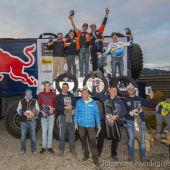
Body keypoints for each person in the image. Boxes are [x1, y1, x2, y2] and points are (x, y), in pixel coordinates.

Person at [124, 83, 155, 162]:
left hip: (141, 122)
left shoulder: (140, 99)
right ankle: (131, 157)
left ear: (134, 90)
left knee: (142, 140)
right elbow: (123, 112)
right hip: (130, 122)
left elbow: (150, 105)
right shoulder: (125, 100)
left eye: (132, 88)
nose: (131, 90)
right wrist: (129, 113)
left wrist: (151, 98)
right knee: (131, 139)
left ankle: (143, 158)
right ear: (127, 91)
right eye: (129, 89)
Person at [74, 87, 101, 168]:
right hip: (81, 125)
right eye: (83, 92)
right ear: (81, 94)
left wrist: (98, 123)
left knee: (93, 143)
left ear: (88, 93)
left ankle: (96, 160)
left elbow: (96, 113)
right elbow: (76, 113)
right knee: (83, 142)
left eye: (86, 92)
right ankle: (86, 155)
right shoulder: (79, 102)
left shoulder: (93, 102)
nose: (84, 94)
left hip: (91, 126)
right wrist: (75, 123)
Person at [17, 88, 39, 155]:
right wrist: (23, 113)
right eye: (27, 93)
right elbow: (18, 109)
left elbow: (38, 109)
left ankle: (33, 150)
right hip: (23, 121)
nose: (28, 94)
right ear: (25, 94)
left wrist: (33, 113)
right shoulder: (21, 101)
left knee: (33, 136)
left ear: (31, 94)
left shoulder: (35, 101)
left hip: (32, 121)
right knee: (23, 136)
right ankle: (22, 149)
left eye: (30, 93)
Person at [56, 83, 76, 156]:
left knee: (72, 134)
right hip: (63, 117)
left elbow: (75, 104)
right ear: (62, 88)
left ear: (68, 88)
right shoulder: (58, 96)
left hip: (71, 116)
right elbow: (57, 107)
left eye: (66, 87)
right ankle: (61, 150)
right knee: (62, 134)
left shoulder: (71, 95)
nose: (65, 88)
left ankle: (72, 149)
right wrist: (65, 107)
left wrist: (73, 108)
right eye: (63, 87)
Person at [38, 81, 56, 154]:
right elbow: (38, 104)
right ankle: (43, 147)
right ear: (44, 86)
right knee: (44, 131)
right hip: (44, 115)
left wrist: (54, 109)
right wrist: (41, 111)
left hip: (52, 115)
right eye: (46, 85)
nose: (47, 87)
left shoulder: (54, 94)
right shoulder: (40, 94)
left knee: (50, 131)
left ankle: (49, 147)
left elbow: (56, 103)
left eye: (49, 85)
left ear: (50, 86)